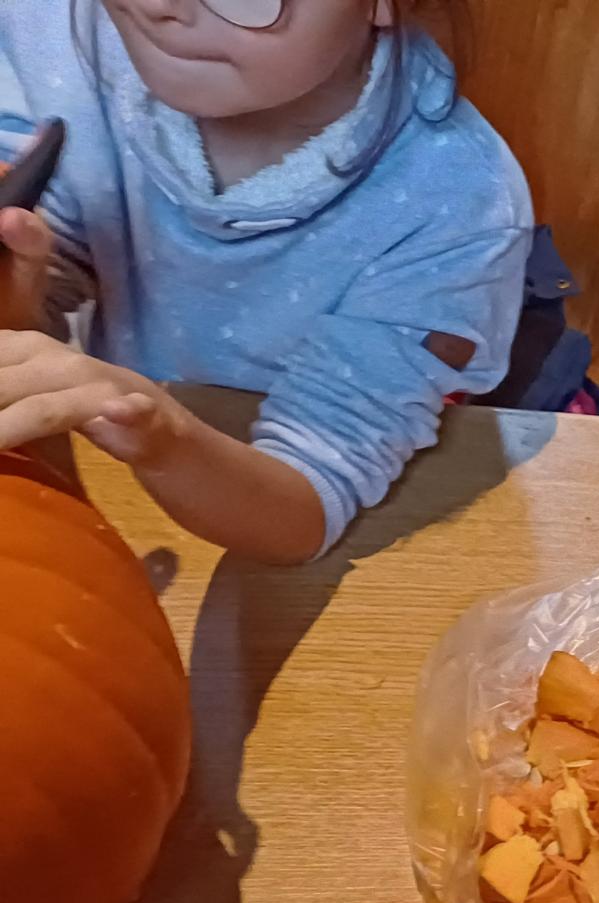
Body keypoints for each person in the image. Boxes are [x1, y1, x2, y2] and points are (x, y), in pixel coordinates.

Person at [0, 0, 530, 563]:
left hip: (251, 503)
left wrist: (162, 438)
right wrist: (20, 290)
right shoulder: (55, 34)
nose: (156, 6)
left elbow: (308, 504)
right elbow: (49, 266)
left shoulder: (455, 204)